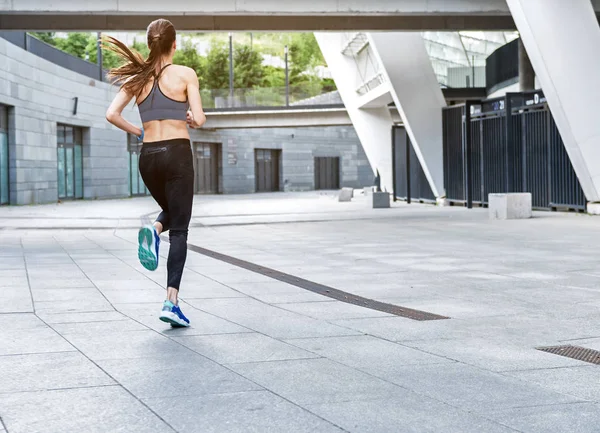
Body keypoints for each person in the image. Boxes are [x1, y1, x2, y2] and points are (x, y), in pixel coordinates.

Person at [105, 19, 206, 327]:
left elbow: (111, 114)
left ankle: (153, 231)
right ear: (174, 44)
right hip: (177, 153)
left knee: (173, 213)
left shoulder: (137, 78)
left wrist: (140, 131)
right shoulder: (186, 74)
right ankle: (171, 302)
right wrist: (190, 116)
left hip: (148, 156)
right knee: (181, 229)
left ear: (151, 44)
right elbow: (199, 119)